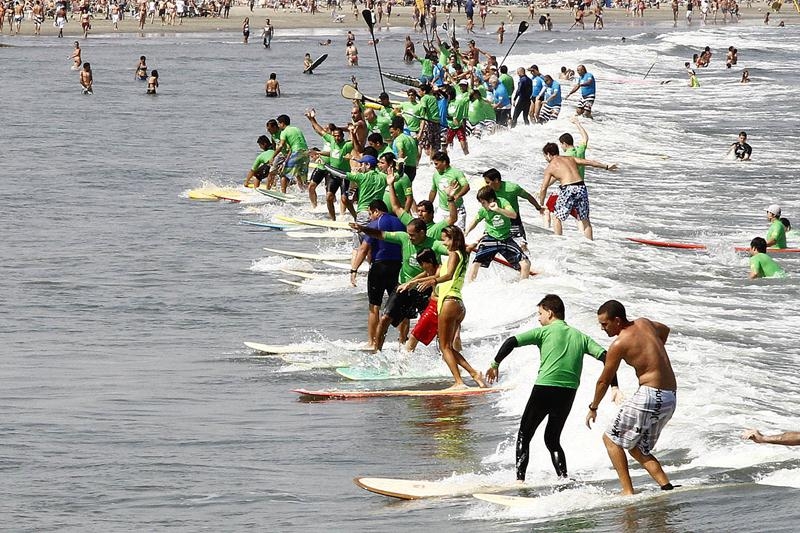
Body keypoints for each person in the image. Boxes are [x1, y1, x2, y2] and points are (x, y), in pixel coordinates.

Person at [487, 294, 621, 481]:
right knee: (552, 439)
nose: (538, 318)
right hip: (568, 392)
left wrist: (494, 364)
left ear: (550, 313)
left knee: (524, 435)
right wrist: (615, 386)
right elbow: (607, 358)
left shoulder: (544, 332)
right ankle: (563, 478)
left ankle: (520, 480)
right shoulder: (580, 336)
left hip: (544, 387)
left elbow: (511, 341)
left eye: (540, 313)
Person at [586, 300, 678, 495]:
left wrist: (593, 407)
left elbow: (604, 381)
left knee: (611, 440)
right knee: (638, 449)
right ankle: (666, 487)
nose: (603, 329)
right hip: (670, 398)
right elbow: (666, 330)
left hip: (650, 395)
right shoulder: (645, 323)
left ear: (617, 321)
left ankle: (627, 491)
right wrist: (653, 352)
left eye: (605, 324)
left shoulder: (619, 343)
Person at [401, 226, 487, 389]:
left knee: (444, 347)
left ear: (454, 239)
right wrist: (415, 282)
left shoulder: (454, 254)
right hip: (459, 305)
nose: (443, 242)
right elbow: (442, 273)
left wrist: (433, 281)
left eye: (446, 239)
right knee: (447, 347)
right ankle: (475, 374)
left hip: (448, 302)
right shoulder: (464, 254)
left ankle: (458, 382)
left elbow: (448, 275)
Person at [350, 218, 448, 351]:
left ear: (422, 233)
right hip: (403, 286)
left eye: (412, 235)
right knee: (385, 318)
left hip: (424, 288)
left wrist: (465, 248)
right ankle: (377, 351)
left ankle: (444, 353)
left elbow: (451, 251)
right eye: (408, 234)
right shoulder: (404, 238)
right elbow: (381, 234)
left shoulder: (434, 244)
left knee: (435, 324)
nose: (410, 237)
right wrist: (362, 228)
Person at [350, 200, 404, 349]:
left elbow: (363, 249)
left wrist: (354, 270)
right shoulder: (401, 223)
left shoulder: (374, 225)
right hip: (398, 268)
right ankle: (403, 341)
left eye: (370, 213)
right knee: (399, 306)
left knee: (374, 306)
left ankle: (372, 341)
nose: (370, 217)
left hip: (379, 268)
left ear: (376, 211)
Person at [538, 142, 617, 240]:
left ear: (549, 154)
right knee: (585, 219)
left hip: (568, 189)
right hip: (581, 187)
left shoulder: (550, 167)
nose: (545, 159)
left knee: (557, 217)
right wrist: (606, 166)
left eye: (545, 156)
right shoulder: (570, 158)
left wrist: (540, 205)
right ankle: (590, 243)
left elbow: (543, 188)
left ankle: (558, 241)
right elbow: (590, 162)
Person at [466, 186, 531, 281]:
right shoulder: (483, 210)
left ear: (491, 200)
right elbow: (475, 220)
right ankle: (470, 286)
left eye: (483, 203)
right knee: (476, 263)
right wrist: (466, 231)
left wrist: (498, 210)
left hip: (506, 238)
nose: (482, 205)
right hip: (490, 238)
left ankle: (523, 287)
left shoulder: (503, 202)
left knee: (526, 264)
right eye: (481, 203)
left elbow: (513, 215)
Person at [305, 110, 353, 220]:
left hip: (340, 172)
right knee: (324, 194)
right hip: (326, 168)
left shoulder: (344, 144)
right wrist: (311, 119)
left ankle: (343, 215)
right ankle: (323, 213)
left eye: (327, 129)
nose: (325, 130)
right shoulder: (330, 139)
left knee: (341, 197)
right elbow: (318, 130)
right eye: (335, 136)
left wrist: (352, 132)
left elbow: (355, 144)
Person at [482, 168, 543, 251]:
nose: (486, 185)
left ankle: (527, 260)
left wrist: (538, 207)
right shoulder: (488, 191)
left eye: (488, 182)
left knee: (522, 244)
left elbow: (528, 196)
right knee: (487, 243)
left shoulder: (512, 188)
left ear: (496, 180)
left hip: (513, 219)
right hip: (496, 219)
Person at [267, 114, 309, 193]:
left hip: (296, 152)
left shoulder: (284, 132)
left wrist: (272, 157)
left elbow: (280, 146)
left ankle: (283, 194)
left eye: (279, 123)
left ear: (282, 123)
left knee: (284, 174)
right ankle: (306, 193)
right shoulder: (297, 129)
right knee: (301, 175)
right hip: (306, 152)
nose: (278, 125)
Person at [428, 151, 469, 230]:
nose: (435, 166)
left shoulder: (456, 173)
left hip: (457, 209)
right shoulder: (436, 174)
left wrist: (457, 195)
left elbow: (466, 186)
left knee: (458, 237)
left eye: (436, 164)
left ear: (444, 162)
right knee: (439, 234)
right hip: (442, 210)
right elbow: (433, 190)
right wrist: (429, 204)